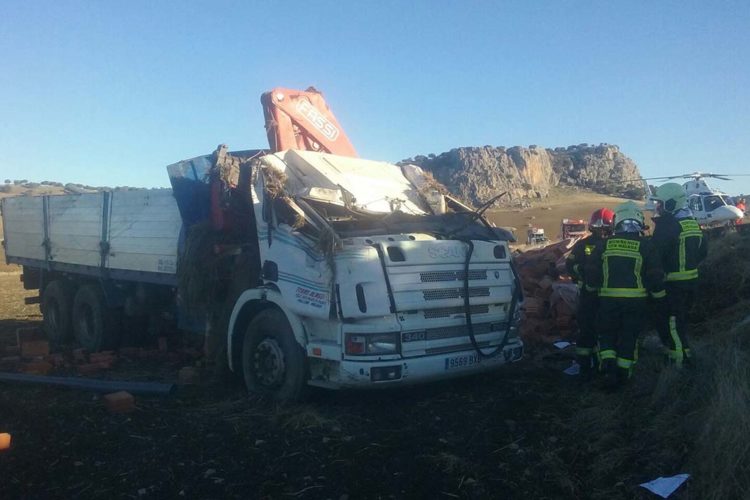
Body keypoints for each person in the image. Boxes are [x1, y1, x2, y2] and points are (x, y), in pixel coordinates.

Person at [585, 202, 665, 389]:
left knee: (606, 333)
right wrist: (659, 298)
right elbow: (655, 275)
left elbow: (591, 271)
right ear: (639, 220)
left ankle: (607, 364)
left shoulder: (604, 244)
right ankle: (624, 374)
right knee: (630, 336)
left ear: (617, 221)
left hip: (607, 300)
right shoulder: (646, 245)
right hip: (636, 302)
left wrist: (590, 290)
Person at [651, 182, 708, 367]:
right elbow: (702, 252)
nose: (658, 207)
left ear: (671, 203)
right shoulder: (693, 224)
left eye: (661, 203)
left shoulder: (668, 225)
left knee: (671, 322)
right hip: (692, 282)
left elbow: (655, 255)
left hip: (672, 285)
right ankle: (682, 353)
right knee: (680, 322)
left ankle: (680, 364)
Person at [565, 208, 614, 379]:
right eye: (599, 228)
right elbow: (570, 265)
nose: (602, 232)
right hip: (590, 295)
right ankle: (585, 365)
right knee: (587, 329)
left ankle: (601, 365)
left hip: (606, 296)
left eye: (604, 229)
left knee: (603, 330)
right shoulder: (583, 245)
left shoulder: (614, 244)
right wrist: (583, 271)